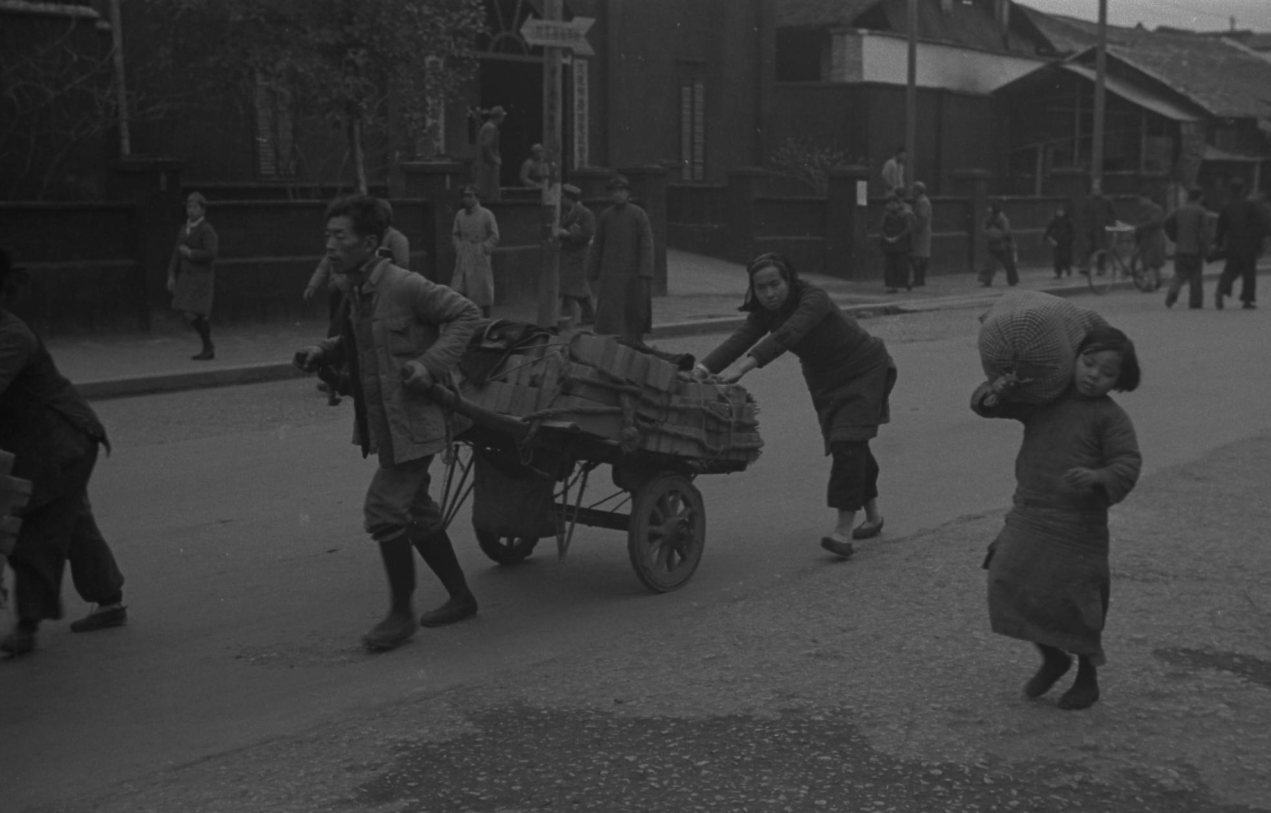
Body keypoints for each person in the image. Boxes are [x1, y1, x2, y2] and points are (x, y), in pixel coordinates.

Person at [294, 196, 482, 652]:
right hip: (388, 421)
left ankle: (401, 616)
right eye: (327, 236)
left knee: (383, 509)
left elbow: (467, 314)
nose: (330, 245)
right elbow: (360, 338)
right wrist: (325, 351)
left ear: (370, 243)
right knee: (416, 510)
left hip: (417, 420)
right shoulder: (357, 289)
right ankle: (461, 597)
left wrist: (429, 364)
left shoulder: (404, 284)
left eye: (340, 236)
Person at [971, 325, 1142, 710]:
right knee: (1007, 579)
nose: (1094, 375)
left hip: (1077, 526)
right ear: (1074, 358)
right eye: (1089, 362)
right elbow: (998, 405)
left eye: (1107, 372)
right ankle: (1052, 657)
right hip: (1030, 512)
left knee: (1075, 602)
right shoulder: (1047, 398)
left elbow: (1128, 463)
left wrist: (1098, 477)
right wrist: (996, 392)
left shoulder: (1109, 418)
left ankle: (1087, 676)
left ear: (1119, 380)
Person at [694, 253, 896, 560]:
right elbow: (739, 339)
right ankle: (874, 515)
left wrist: (743, 367)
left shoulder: (814, 298)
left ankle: (843, 532)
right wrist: (700, 371)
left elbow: (789, 333)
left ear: (789, 280)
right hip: (825, 380)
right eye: (761, 288)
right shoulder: (764, 312)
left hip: (863, 368)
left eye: (775, 284)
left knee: (848, 443)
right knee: (849, 442)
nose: (769, 294)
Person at [0, 249, 128, 657]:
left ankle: (25, 630)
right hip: (49, 440)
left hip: (61, 441)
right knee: (71, 519)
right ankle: (109, 600)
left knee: (37, 529)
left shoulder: (11, 336)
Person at [587, 175, 655, 342]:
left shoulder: (638, 214)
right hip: (611, 273)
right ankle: (613, 340)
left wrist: (645, 271)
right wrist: (593, 271)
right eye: (614, 191)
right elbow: (598, 245)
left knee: (634, 308)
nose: (618, 194)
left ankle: (634, 340)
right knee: (610, 310)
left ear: (628, 193)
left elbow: (646, 243)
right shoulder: (605, 216)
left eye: (621, 191)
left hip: (633, 273)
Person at [167, 191, 219, 360]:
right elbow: (176, 253)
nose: (191, 210)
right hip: (187, 279)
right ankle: (208, 346)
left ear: (203, 210)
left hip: (201, 279)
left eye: (195, 207)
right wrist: (171, 275)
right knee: (192, 313)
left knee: (194, 312)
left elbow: (211, 254)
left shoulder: (207, 230)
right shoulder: (185, 229)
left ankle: (208, 346)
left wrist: (190, 253)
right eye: (189, 207)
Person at [1214, 179, 1269, 310]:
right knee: (1248, 272)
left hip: (1232, 243)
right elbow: (1259, 225)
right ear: (1243, 190)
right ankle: (1247, 300)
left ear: (1231, 190)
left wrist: (1219, 243)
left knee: (1231, 269)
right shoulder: (1250, 205)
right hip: (1249, 244)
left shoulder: (1226, 207)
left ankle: (1221, 289)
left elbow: (1220, 227)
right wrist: (1260, 243)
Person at [451, 185, 500, 319]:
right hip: (464, 252)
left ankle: (487, 314)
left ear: (477, 198)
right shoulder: (460, 214)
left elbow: (494, 235)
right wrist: (459, 246)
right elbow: (455, 234)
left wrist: (484, 248)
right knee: (461, 284)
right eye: (465, 196)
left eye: (470, 196)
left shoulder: (486, 214)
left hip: (479, 253)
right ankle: (466, 316)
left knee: (483, 284)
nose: (466, 199)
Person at [554, 183, 596, 326]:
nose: (562, 200)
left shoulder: (585, 214)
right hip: (568, 253)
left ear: (570, 199)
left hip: (579, 255)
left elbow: (587, 234)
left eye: (564, 198)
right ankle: (586, 316)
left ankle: (585, 315)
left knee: (577, 287)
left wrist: (567, 234)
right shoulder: (566, 212)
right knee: (574, 286)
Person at [1162, 187, 1209, 309]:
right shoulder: (1201, 211)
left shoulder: (1179, 210)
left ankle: (1172, 292)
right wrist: (1206, 248)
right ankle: (1195, 302)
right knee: (1196, 276)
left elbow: (1167, 222)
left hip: (1180, 249)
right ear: (1199, 198)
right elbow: (1205, 232)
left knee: (1179, 274)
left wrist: (1173, 236)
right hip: (1195, 249)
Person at [879, 192, 913, 293]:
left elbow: (908, 228)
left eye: (893, 203)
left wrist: (897, 237)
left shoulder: (904, 215)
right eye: (890, 204)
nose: (891, 206)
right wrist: (885, 237)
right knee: (891, 265)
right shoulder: (887, 215)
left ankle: (903, 283)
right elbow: (881, 227)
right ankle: (894, 285)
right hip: (891, 243)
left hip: (900, 244)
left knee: (900, 265)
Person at [979, 201, 1018, 287]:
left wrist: (995, 234)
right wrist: (990, 234)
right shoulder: (989, 219)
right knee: (989, 264)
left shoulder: (1003, 219)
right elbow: (984, 229)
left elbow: (1006, 231)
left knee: (1008, 264)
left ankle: (1013, 280)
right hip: (993, 245)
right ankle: (986, 280)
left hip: (1003, 246)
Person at [1133, 194, 1166, 291]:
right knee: (1150, 261)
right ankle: (1157, 281)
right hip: (1145, 238)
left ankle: (1150, 284)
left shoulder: (1156, 209)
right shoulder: (1144, 210)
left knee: (1151, 262)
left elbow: (1154, 222)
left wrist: (1140, 227)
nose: (1141, 202)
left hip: (1154, 238)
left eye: (1142, 200)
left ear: (1148, 199)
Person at [474, 106, 506, 201]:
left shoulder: (488, 126)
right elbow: (486, 145)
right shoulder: (491, 127)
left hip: (486, 164)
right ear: (499, 117)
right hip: (489, 166)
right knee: (491, 192)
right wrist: (493, 160)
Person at [1042, 204, 1075, 279]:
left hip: (1066, 242)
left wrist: (1071, 239)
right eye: (1058, 211)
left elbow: (1072, 231)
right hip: (1057, 242)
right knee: (1057, 259)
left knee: (1065, 257)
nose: (1060, 213)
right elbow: (1049, 229)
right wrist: (1046, 237)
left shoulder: (1068, 220)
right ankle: (1058, 273)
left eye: (1061, 211)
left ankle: (1067, 268)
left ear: (1064, 212)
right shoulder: (1054, 220)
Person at [909, 182, 932, 287]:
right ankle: (920, 279)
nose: (911, 191)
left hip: (920, 232)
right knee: (921, 255)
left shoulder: (922, 202)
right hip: (922, 231)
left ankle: (918, 280)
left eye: (913, 189)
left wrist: (912, 217)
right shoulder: (921, 201)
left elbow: (922, 217)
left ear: (918, 190)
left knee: (918, 256)